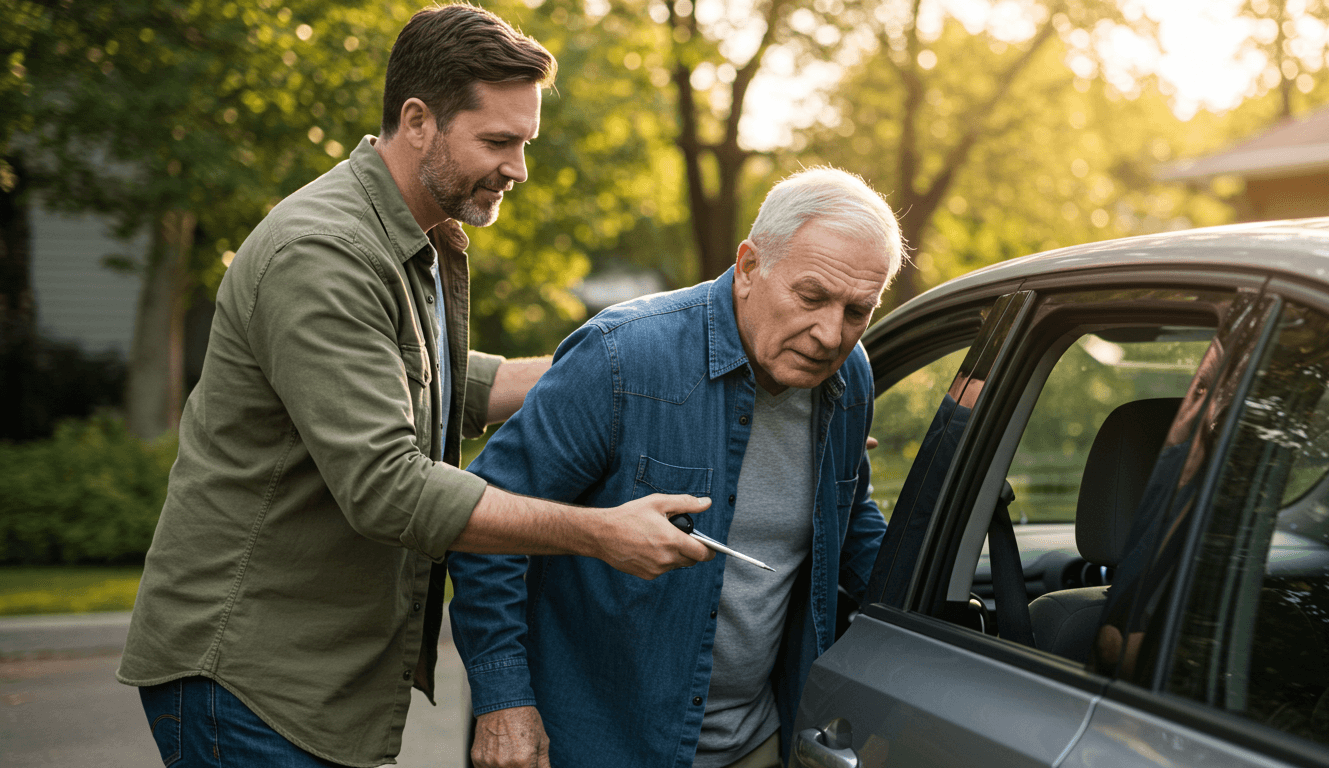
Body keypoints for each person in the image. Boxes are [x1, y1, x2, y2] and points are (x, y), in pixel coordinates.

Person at [117, 5, 712, 767]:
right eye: (498, 141)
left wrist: (672, 382)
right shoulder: (324, 252)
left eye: (524, 143)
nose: (518, 169)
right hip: (247, 678)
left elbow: (455, 385)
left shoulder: (414, 233)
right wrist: (600, 533)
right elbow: (388, 487)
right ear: (418, 120)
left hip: (309, 680)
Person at [451, 167, 904, 768]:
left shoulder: (850, 377)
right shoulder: (622, 357)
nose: (830, 334)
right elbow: (485, 524)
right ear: (748, 268)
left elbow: (849, 520)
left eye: (857, 310)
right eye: (812, 297)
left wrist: (943, 626)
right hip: (596, 743)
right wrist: (504, 701)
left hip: (759, 740)